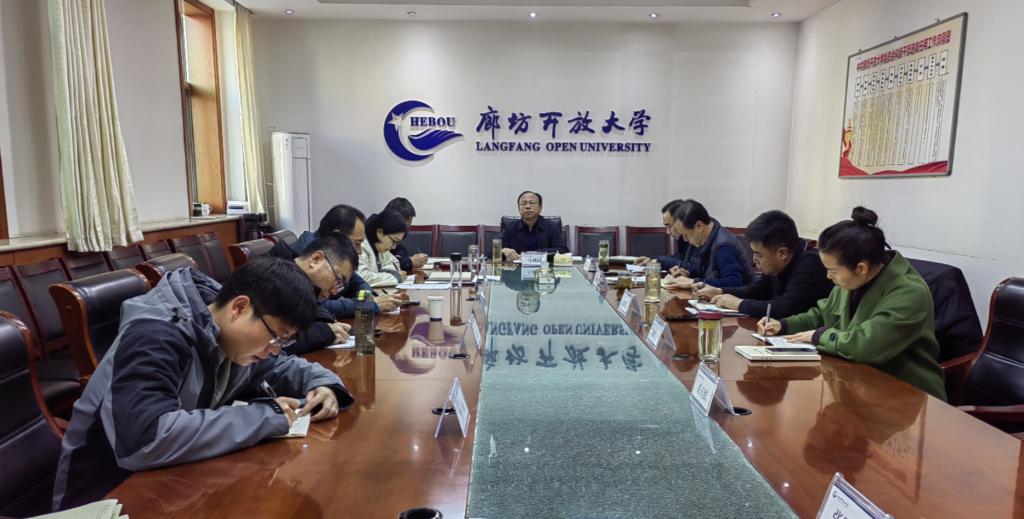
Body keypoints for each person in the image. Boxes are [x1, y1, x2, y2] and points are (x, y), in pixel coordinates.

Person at [53, 258, 354, 510]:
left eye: (283, 341)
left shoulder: (230, 335)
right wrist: (266, 416)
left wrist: (325, 384)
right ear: (239, 307)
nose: (275, 349)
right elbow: (143, 440)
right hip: (105, 497)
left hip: (172, 485)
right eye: (276, 336)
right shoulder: (156, 334)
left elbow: (281, 365)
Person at [759, 207, 946, 400]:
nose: (828, 276)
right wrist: (784, 325)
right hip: (859, 383)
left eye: (832, 270)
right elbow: (823, 314)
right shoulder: (852, 280)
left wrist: (819, 336)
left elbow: (866, 345)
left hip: (906, 395)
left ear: (861, 268)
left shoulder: (909, 293)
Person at [695, 210, 832, 318]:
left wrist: (740, 304)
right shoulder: (777, 264)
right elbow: (760, 290)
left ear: (782, 253)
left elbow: (785, 308)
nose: (754, 259)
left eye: (758, 254)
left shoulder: (811, 264)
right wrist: (721, 291)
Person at [286, 204, 401, 316]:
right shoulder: (309, 254)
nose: (360, 251)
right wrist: (367, 305)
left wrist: (369, 299)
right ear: (338, 236)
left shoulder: (335, 257)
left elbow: (357, 282)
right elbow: (315, 306)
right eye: (357, 243)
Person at [269, 233, 360, 354]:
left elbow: (316, 310)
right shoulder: (272, 279)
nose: (334, 291)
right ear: (316, 259)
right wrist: (324, 332)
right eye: (338, 279)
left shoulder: (303, 284)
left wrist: (330, 324)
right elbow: (272, 344)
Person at [663, 199, 752, 290]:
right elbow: (710, 274)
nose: (685, 240)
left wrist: (694, 282)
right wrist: (688, 273)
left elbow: (734, 282)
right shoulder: (707, 238)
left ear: (699, 226)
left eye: (686, 235)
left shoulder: (723, 246)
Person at [500, 191, 569, 260]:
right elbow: (494, 249)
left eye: (532, 203)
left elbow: (563, 250)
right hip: (517, 266)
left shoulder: (551, 226)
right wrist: (503, 250)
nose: (528, 207)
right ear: (518, 208)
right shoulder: (511, 227)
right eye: (523, 204)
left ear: (540, 207)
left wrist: (534, 254)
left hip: (544, 266)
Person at [634, 199, 695, 270]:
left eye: (669, 226)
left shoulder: (696, 238)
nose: (668, 232)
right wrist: (651, 259)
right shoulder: (683, 240)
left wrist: (659, 261)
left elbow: (694, 268)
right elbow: (679, 258)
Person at [358, 209, 408, 287]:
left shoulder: (382, 248)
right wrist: (393, 276)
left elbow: (394, 264)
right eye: (394, 240)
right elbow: (363, 277)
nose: (394, 247)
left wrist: (385, 273)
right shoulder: (360, 246)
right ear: (380, 233)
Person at [385, 197, 429, 270]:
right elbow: (385, 266)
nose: (405, 232)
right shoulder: (376, 236)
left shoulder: (392, 234)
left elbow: (400, 249)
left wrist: (400, 258)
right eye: (404, 227)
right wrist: (410, 261)